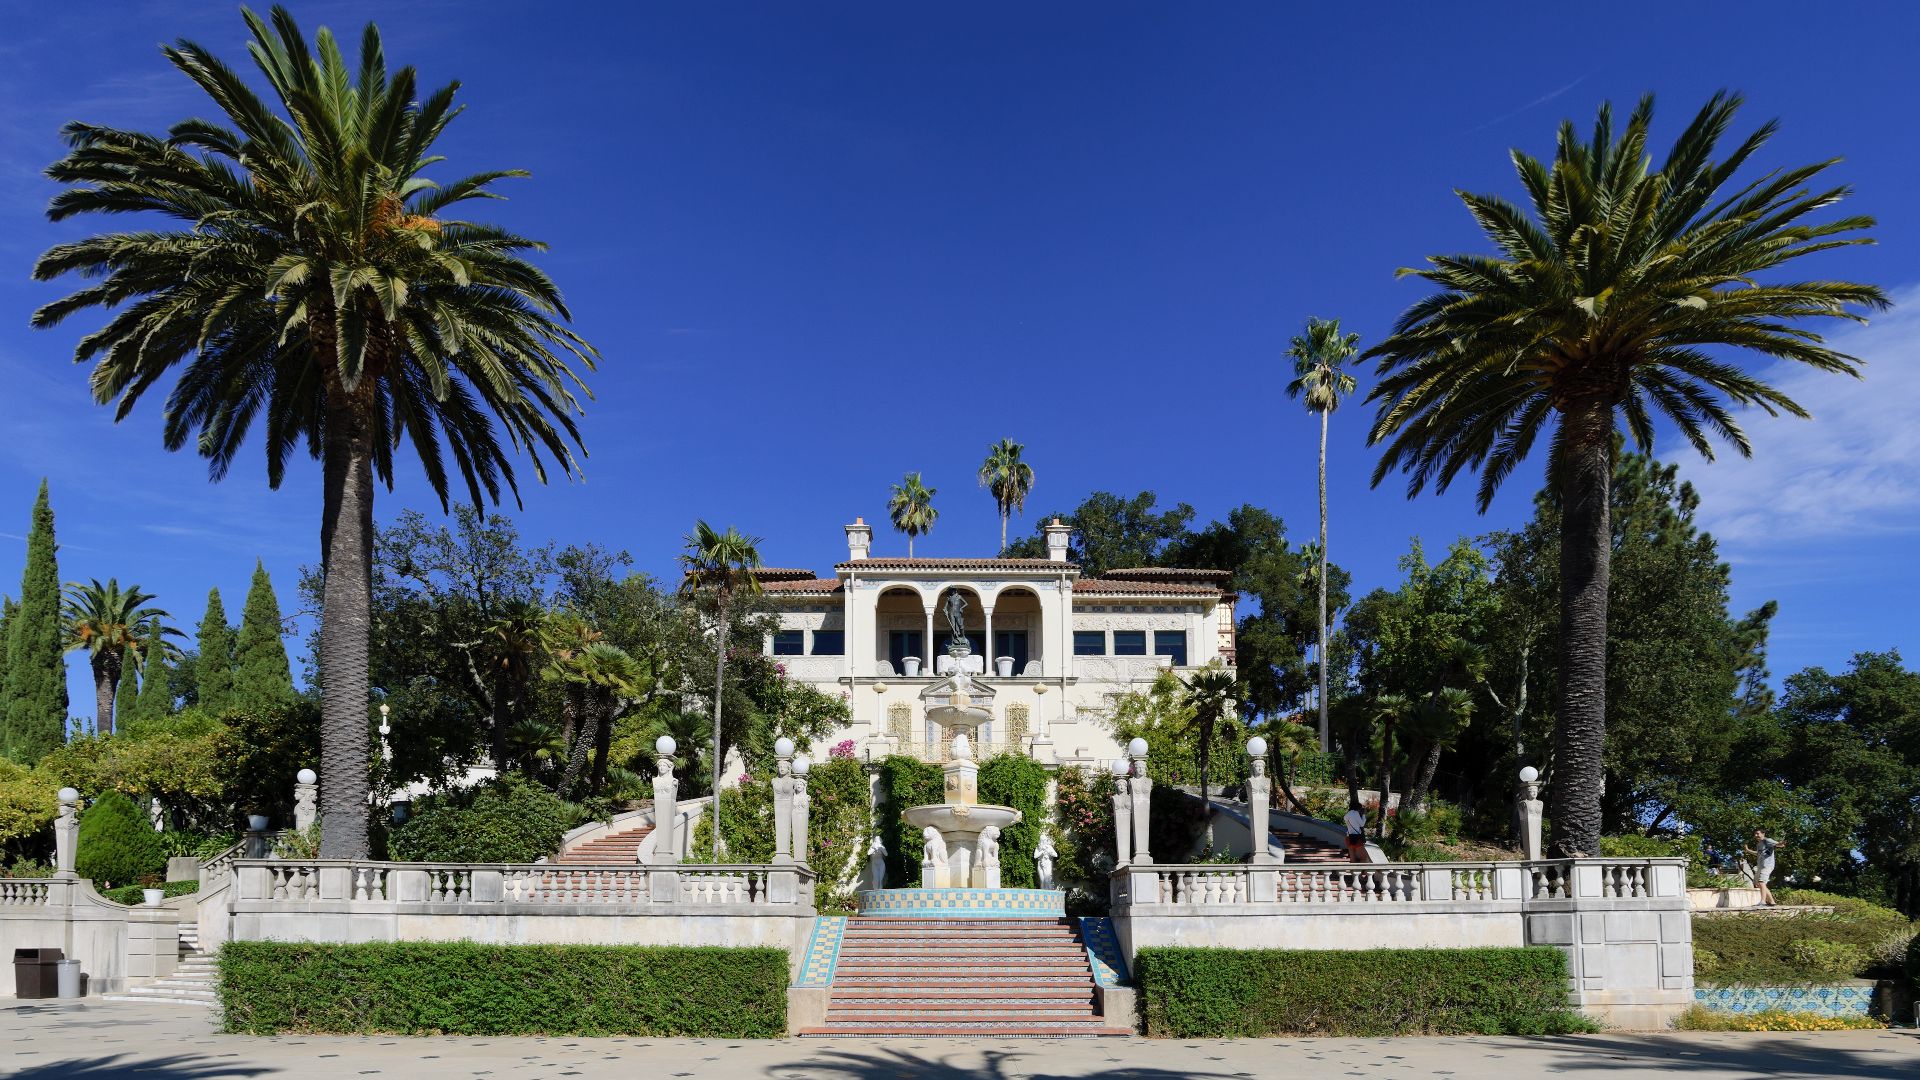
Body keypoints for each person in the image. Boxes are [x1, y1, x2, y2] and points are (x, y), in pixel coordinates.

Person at [1742, 829, 1785, 906]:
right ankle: (1772, 901)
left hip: (1767, 865)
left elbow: (1779, 845)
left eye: (1757, 834)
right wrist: (1748, 850)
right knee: (1759, 884)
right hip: (1760, 866)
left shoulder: (1767, 840)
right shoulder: (1759, 844)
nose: (1756, 835)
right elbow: (1758, 854)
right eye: (1755, 834)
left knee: (1762, 882)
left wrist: (1781, 843)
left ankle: (1763, 902)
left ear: (1763, 834)